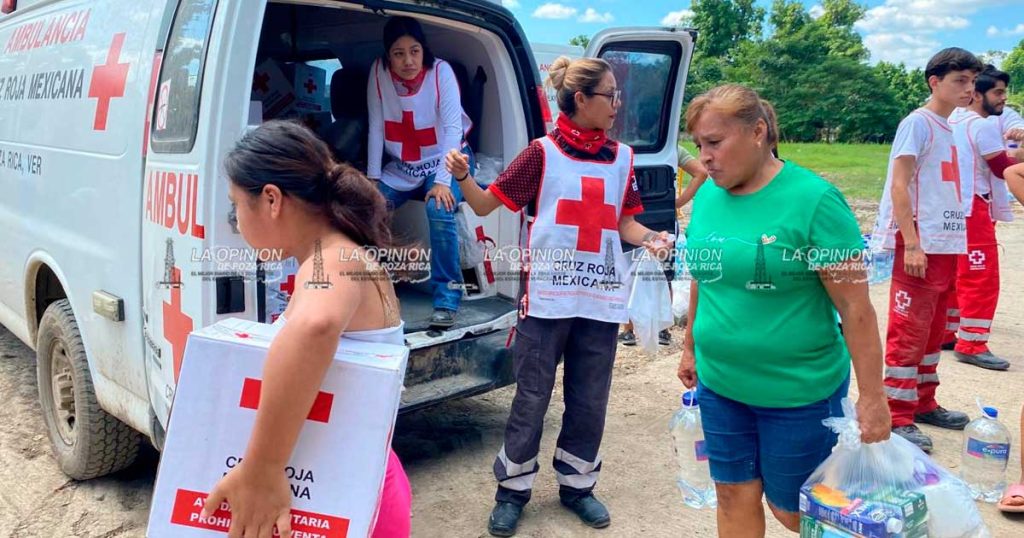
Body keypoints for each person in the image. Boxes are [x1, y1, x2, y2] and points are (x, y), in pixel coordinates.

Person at [445, 56, 671, 536]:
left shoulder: (624, 158)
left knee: (590, 399)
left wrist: (650, 237)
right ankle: (513, 491)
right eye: (609, 95)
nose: (617, 104)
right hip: (547, 298)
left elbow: (623, 223)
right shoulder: (541, 154)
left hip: (600, 299)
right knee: (531, 396)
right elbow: (486, 204)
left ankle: (578, 486)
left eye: (617, 95)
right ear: (581, 100)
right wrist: (464, 177)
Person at [677, 84, 890, 537]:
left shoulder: (814, 200)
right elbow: (704, 273)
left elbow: (856, 309)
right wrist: (690, 345)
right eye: (700, 146)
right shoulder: (711, 195)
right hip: (722, 385)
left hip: (797, 392)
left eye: (715, 142)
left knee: (796, 511)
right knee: (733, 494)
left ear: (757, 132)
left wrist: (873, 398)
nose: (706, 157)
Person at [202, 120, 411, 538]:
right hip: (354, 477)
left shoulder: (331, 259)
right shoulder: (337, 252)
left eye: (236, 206)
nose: (237, 222)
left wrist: (262, 469)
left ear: (272, 200)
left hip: (351, 492)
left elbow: (316, 325)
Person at [869, 48, 984, 453]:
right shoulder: (917, 124)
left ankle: (923, 402)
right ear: (934, 82)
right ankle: (896, 412)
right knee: (910, 328)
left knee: (936, 327)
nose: (968, 89)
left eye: (972, 82)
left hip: (946, 242)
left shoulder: (950, 127)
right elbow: (900, 184)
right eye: (960, 81)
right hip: (919, 243)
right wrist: (912, 242)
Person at [367, 16, 474, 329]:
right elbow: (376, 125)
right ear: (388, 56)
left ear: (423, 50)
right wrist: (373, 178)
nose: (408, 60)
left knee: (438, 207)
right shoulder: (378, 73)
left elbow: (453, 129)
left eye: (414, 51)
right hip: (403, 166)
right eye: (398, 53)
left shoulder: (441, 72)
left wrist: (442, 181)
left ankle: (447, 299)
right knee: (367, 207)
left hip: (449, 158)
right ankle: (378, 290)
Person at [945, 66, 1016, 371]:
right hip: (973, 206)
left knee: (952, 274)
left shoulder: (952, 120)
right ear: (977, 94)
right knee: (980, 276)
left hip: (950, 205)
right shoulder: (982, 125)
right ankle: (972, 341)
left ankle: (947, 331)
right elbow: (1003, 168)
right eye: (998, 92)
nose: (1003, 99)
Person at [617, 147, 709, 347]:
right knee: (664, 274)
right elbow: (701, 172)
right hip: (662, 217)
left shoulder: (619, 150)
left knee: (627, 273)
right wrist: (676, 203)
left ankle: (628, 330)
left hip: (628, 219)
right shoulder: (669, 149)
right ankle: (663, 330)